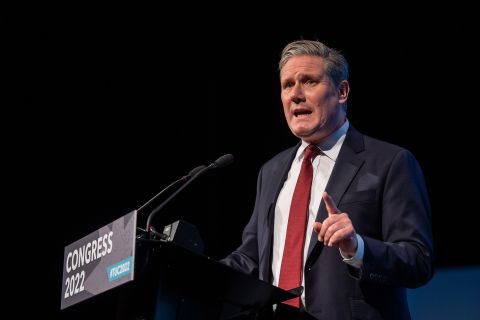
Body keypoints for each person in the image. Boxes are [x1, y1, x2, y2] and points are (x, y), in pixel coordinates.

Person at [221, 40, 433, 320]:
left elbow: (418, 261)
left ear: (341, 91)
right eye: (287, 85)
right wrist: (189, 271)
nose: (295, 95)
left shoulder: (390, 162)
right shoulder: (271, 171)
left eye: (309, 82)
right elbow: (250, 259)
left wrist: (357, 246)